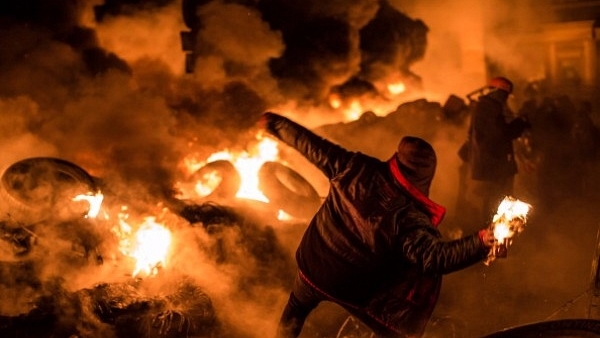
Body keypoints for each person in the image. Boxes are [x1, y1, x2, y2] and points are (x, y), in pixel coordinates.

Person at [258, 111, 497, 338]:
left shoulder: (355, 166)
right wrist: (480, 241)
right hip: (355, 289)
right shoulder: (411, 217)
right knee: (397, 333)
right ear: (426, 176)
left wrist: (276, 124)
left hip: (313, 266)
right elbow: (436, 257)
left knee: (296, 306)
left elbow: (310, 144)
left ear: (398, 157)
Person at [463, 76, 530, 226]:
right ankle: (492, 232)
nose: (506, 99)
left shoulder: (485, 106)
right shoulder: (489, 107)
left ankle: (492, 229)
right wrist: (520, 124)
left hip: (491, 164)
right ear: (499, 93)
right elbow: (500, 134)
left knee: (493, 199)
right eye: (505, 95)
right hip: (494, 165)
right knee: (495, 199)